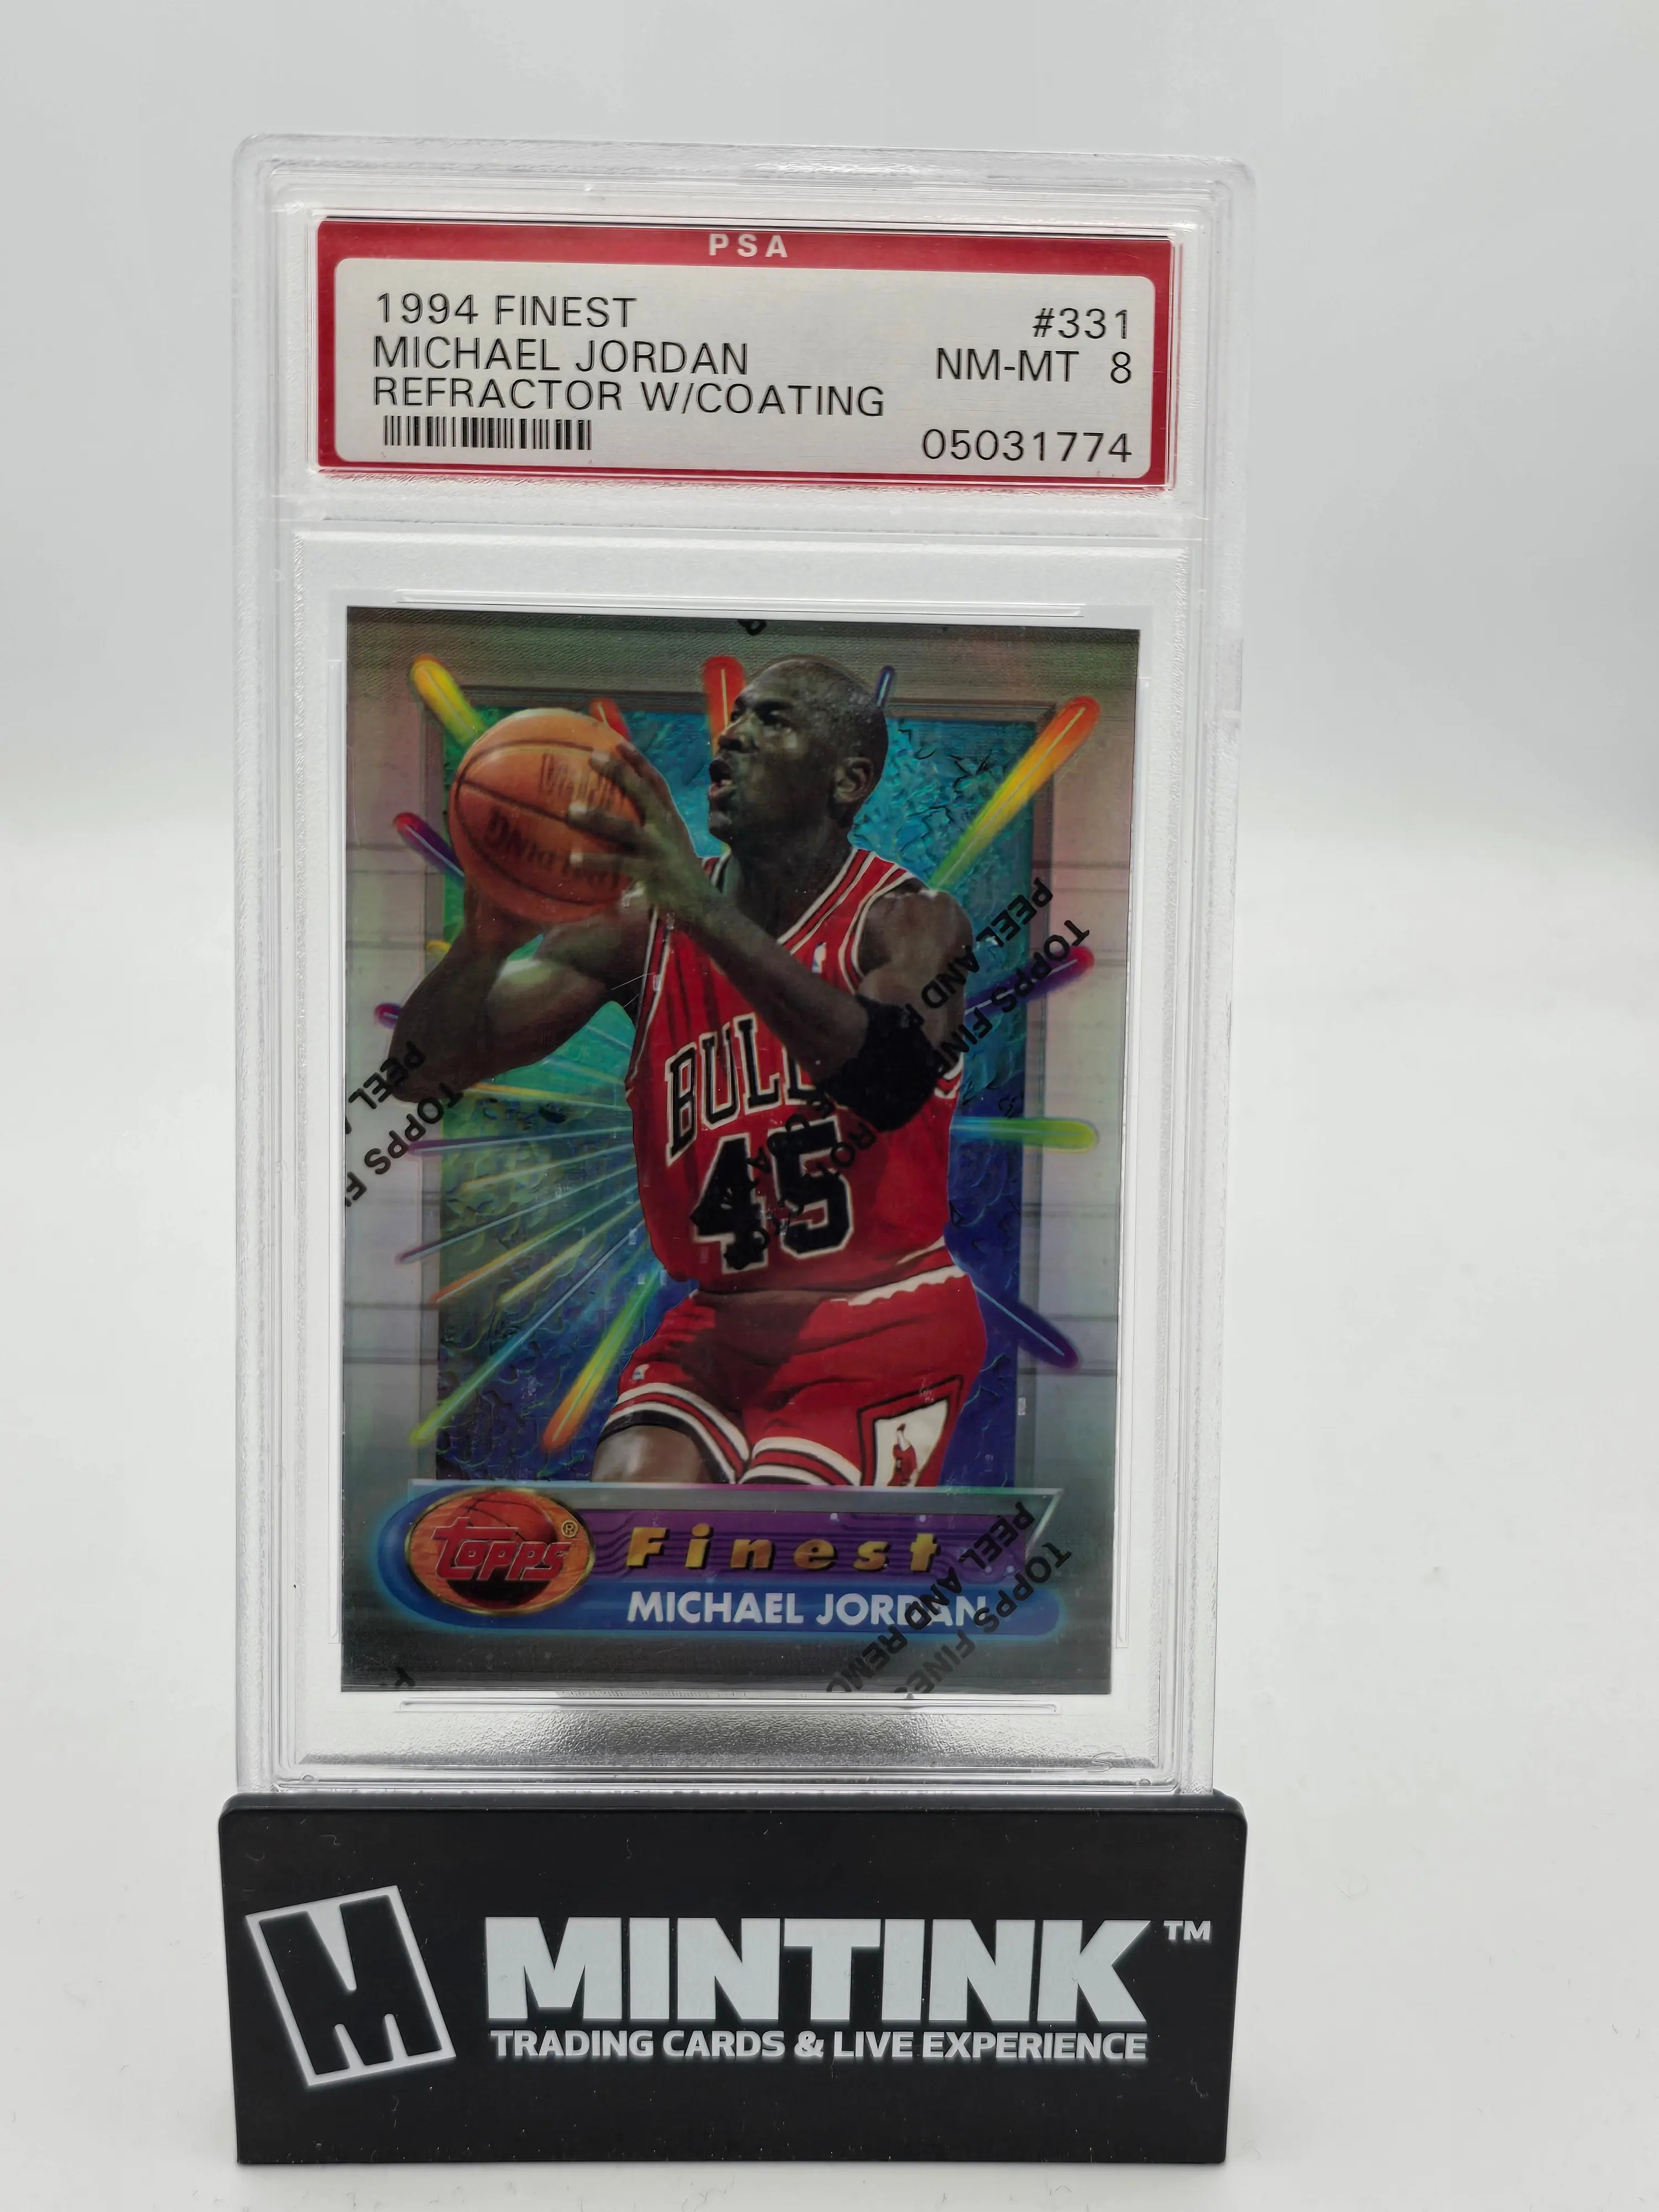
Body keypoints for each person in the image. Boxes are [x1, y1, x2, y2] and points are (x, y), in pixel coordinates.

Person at [393, 656, 984, 1486]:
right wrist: (485, 942)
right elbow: (420, 1075)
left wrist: (701, 911)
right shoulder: (637, 932)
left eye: (773, 721)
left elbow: (889, 1080)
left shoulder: (912, 923)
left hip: (886, 1317)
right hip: (721, 1325)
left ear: (848, 780)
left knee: (781, 1542)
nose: (733, 737)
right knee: (632, 1516)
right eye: (736, 716)